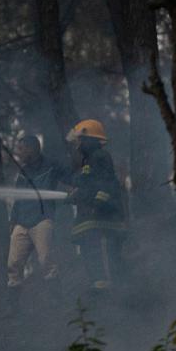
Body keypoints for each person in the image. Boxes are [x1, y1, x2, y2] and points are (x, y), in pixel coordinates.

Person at [65, 119, 126, 291]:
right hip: (91, 214)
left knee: (102, 249)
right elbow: (88, 182)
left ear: (90, 139)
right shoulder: (88, 160)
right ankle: (98, 283)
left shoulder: (100, 155)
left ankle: (110, 286)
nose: (78, 145)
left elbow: (107, 180)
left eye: (80, 140)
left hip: (104, 214)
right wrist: (76, 195)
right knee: (89, 247)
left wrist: (99, 201)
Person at [7, 135, 66, 294]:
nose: (19, 153)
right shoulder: (22, 173)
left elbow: (69, 177)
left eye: (22, 149)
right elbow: (18, 199)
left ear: (32, 149)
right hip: (21, 222)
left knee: (46, 260)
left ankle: (56, 300)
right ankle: (14, 309)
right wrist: (13, 221)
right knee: (13, 263)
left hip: (42, 220)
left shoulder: (51, 165)